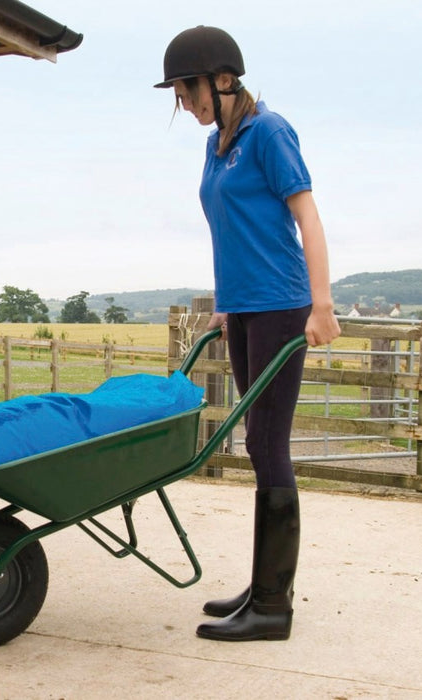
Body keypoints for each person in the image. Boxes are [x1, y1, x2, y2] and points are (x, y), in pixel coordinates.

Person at [155, 25, 341, 642]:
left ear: (223, 79)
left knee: (267, 443)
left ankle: (273, 606)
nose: (183, 102)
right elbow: (230, 228)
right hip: (246, 310)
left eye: (186, 89)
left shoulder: (270, 132)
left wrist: (322, 305)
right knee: (256, 444)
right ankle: (263, 587)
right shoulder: (217, 146)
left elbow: (305, 216)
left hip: (285, 306)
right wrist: (227, 303)